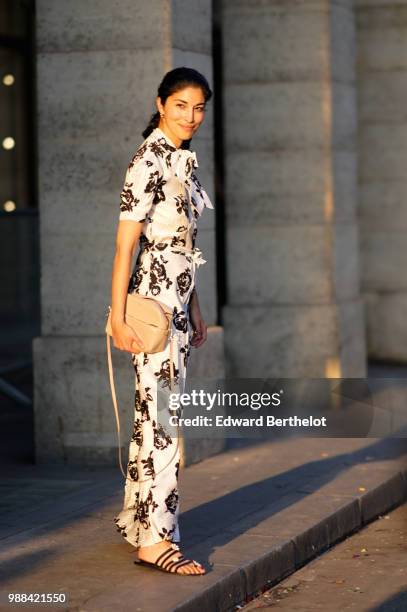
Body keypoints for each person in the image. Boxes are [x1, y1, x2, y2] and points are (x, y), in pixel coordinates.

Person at [111, 67, 214, 576]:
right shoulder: (148, 161)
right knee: (166, 422)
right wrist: (116, 315)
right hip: (151, 308)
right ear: (160, 104)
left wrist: (195, 308)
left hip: (177, 307)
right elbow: (126, 243)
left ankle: (138, 521)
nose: (191, 116)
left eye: (198, 108)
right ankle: (155, 540)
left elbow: (183, 246)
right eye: (181, 106)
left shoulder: (185, 162)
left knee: (156, 417)